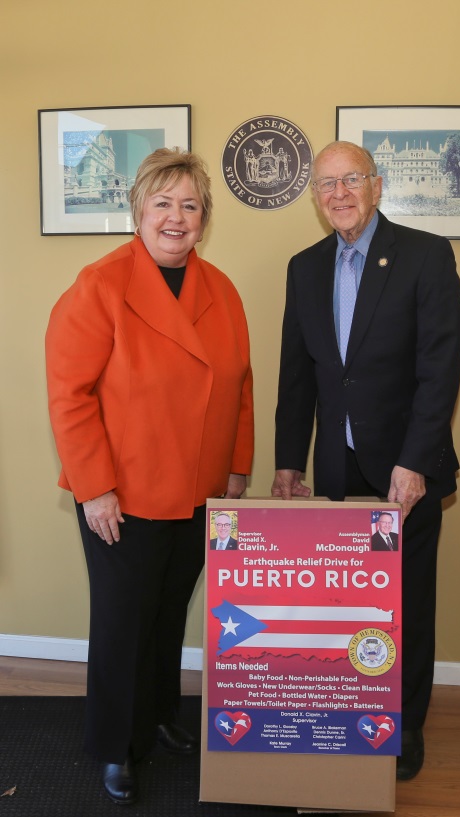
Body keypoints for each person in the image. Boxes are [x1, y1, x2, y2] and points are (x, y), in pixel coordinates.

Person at [46, 147, 254, 805]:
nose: (176, 217)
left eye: (190, 205)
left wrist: (239, 465)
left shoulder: (220, 288)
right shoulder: (99, 284)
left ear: (204, 218)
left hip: (198, 489)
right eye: (163, 202)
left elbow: (240, 384)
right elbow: (69, 394)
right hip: (124, 494)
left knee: (169, 613)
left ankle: (160, 714)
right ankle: (115, 743)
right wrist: (93, 487)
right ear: (138, 208)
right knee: (122, 623)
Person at [271, 141, 460, 781]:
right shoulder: (304, 267)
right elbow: (297, 376)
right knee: (345, 607)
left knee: (405, 606)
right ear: (316, 198)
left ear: (376, 185)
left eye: (350, 179)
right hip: (335, 471)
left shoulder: (425, 255)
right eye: (325, 185)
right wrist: (287, 463)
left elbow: (441, 370)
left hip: (403, 470)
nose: (339, 194)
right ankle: (351, 713)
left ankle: (404, 730)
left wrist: (414, 462)